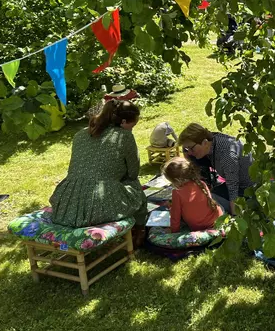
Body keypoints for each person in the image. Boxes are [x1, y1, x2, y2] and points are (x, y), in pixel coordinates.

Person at [50, 100, 148, 236]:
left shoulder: (79, 135)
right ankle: (139, 231)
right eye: (133, 125)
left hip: (67, 201)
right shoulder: (124, 136)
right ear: (123, 122)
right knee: (134, 185)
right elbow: (133, 173)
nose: (132, 129)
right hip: (100, 202)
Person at [178, 123, 253, 216]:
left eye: (191, 149)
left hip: (248, 189)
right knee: (205, 198)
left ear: (204, 143)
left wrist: (235, 216)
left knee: (207, 202)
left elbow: (233, 188)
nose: (189, 152)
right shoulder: (212, 141)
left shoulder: (226, 155)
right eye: (186, 149)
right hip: (237, 184)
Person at [161, 157, 224, 233]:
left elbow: (175, 216)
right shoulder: (201, 183)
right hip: (216, 219)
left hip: (199, 226)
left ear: (177, 180)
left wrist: (174, 231)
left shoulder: (177, 192)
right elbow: (208, 203)